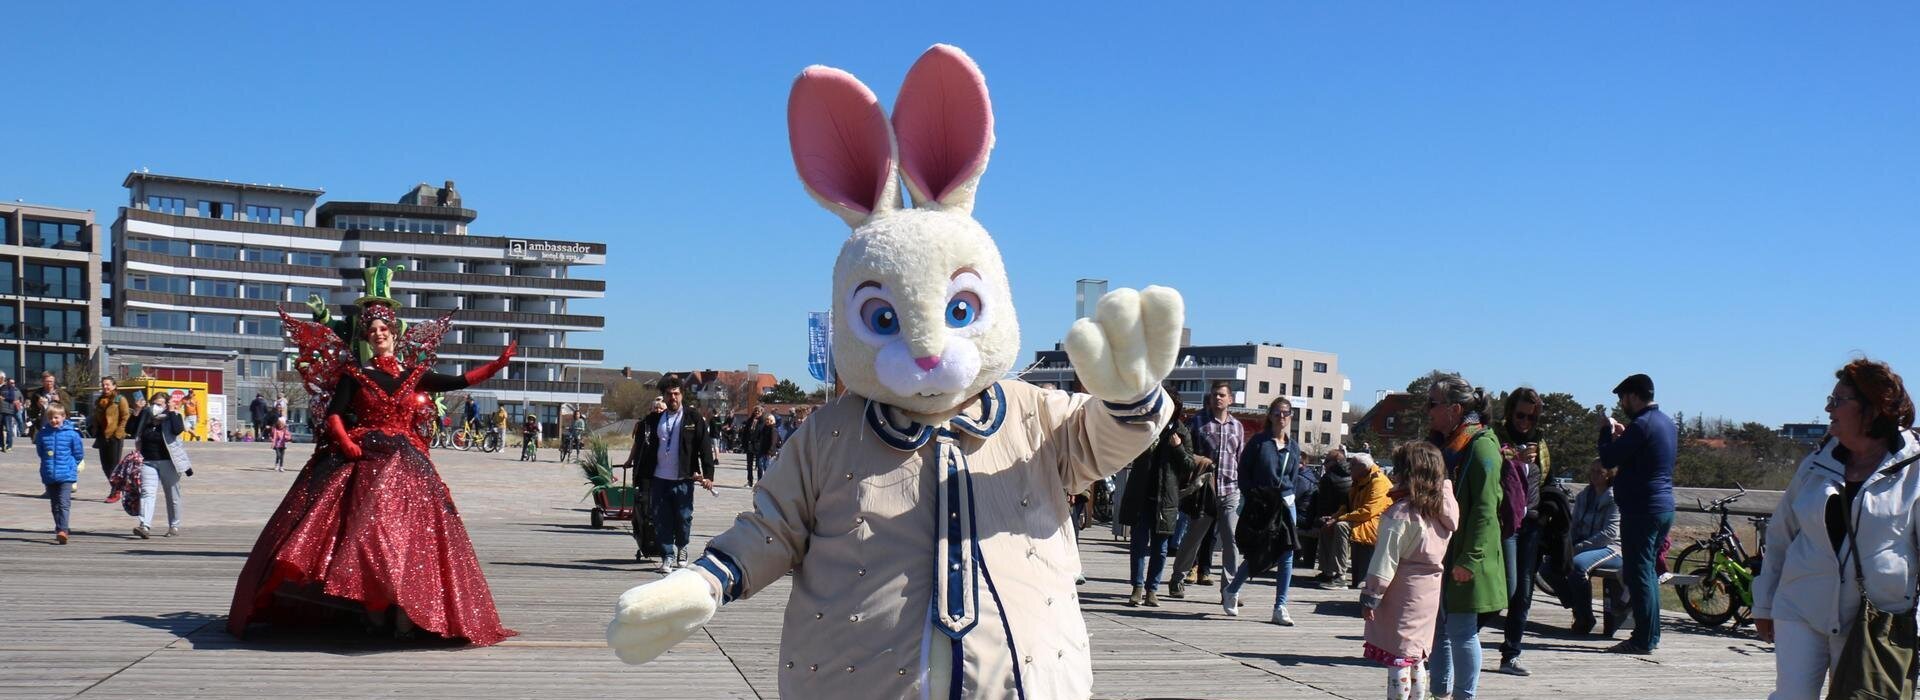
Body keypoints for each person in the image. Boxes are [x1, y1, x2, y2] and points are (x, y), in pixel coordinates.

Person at [228, 262, 519, 646]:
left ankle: (406, 608)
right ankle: (374, 608)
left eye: (384, 329)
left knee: (411, 535)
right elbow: (334, 413)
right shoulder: (355, 375)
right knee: (362, 530)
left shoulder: (413, 374)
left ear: (394, 334)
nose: (379, 335)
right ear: (367, 337)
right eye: (372, 330)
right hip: (363, 455)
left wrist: (497, 365)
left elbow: (458, 381)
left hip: (408, 458)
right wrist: (345, 442)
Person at [1753, 359, 1920, 698]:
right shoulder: (1817, 461)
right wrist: (1764, 603)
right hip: (1800, 605)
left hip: (1875, 617)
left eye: (1838, 400)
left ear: (1872, 408)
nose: (1828, 408)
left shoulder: (1913, 468)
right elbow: (1782, 534)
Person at [1426, 373, 1506, 700]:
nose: (1427, 410)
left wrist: (1470, 559)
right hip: (1447, 553)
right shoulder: (1451, 444)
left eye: (1433, 403)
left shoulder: (1482, 446)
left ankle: (1463, 696)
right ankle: (1439, 693)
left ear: (1455, 409)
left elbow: (1487, 509)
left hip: (1468, 558)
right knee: (1441, 630)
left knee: (1461, 632)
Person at [1361, 441, 1459, 700]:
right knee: (1415, 658)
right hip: (1428, 595)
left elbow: (1385, 560)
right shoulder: (1439, 513)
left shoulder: (1401, 514)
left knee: (1398, 659)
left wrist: (1371, 595)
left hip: (1401, 596)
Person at [1596, 373, 1677, 655]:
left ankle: (1643, 638)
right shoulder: (1665, 422)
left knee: (1638, 572)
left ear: (1632, 395)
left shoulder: (1641, 425)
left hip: (1642, 509)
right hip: (1663, 507)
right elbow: (1643, 455)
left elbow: (1608, 458)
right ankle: (1650, 633)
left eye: (1622, 398)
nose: (1621, 404)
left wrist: (1605, 431)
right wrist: (1624, 435)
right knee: (1648, 572)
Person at [1222, 396, 1302, 625]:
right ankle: (1232, 589)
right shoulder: (1259, 442)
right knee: (1260, 552)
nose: (1282, 417)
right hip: (1261, 502)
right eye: (1277, 412)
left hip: (1286, 504)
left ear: (1291, 416)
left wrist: (1290, 497)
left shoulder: (1293, 446)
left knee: (1287, 552)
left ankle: (1280, 606)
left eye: (1286, 412)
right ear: (1270, 415)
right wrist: (1251, 494)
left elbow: (1293, 478)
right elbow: (1243, 471)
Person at [625, 375, 715, 573]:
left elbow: (705, 447)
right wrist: (636, 470)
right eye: (669, 394)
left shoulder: (693, 417)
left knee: (683, 517)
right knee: (660, 518)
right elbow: (641, 444)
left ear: (682, 395)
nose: (673, 397)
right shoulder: (654, 419)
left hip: (683, 478)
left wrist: (708, 474)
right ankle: (667, 556)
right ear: (663, 397)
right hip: (659, 478)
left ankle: (682, 548)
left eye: (676, 393)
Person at [1118, 388, 1195, 607]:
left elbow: (1189, 465)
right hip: (1142, 495)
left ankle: (1153, 590)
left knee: (1160, 549)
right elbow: (1127, 450)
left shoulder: (1181, 431)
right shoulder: (1146, 426)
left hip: (1166, 499)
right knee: (1138, 545)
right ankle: (1137, 588)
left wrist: (1178, 447)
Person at [1496, 387, 1552, 675]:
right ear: (1510, 411)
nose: (1525, 422)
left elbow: (1547, 481)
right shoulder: (1495, 437)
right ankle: (1457, 638)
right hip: (1503, 523)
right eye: (1520, 415)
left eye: (1532, 417)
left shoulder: (1538, 442)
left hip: (1531, 524)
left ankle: (1511, 653)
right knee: (1507, 587)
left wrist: (1545, 514)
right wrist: (1511, 458)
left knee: (1525, 592)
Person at [1173, 381, 1247, 595]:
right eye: (1215, 394)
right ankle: (1178, 576)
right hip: (1205, 490)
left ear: (1230, 400)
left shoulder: (1237, 427)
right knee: (1193, 537)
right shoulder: (1199, 422)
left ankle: (1230, 589)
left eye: (1222, 395)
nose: (1218, 398)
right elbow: (1188, 455)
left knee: (1231, 539)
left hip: (1230, 490)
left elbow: (1239, 458)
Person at [1558, 461, 1626, 635]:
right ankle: (1577, 606)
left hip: (1611, 548)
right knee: (1548, 565)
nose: (1594, 475)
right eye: (1592, 471)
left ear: (1609, 474)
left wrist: (1579, 547)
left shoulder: (1615, 497)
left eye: (1599, 472)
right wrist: (1567, 545)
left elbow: (1610, 533)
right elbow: (1573, 526)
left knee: (1578, 566)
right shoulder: (1584, 496)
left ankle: (1585, 617)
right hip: (1583, 544)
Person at [1318, 451, 1392, 589]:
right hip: (1360, 519)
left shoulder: (1379, 482)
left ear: (1363, 467)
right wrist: (1333, 517)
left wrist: (1339, 519)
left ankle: (1340, 576)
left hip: (1374, 523)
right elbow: (1347, 506)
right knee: (1327, 525)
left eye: (1352, 466)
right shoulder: (1358, 481)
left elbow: (1369, 511)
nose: (1349, 469)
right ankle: (1328, 571)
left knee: (1341, 526)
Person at [127, 392, 190, 539]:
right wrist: (136, 411)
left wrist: (172, 410)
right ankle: (145, 526)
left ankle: (174, 525)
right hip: (148, 460)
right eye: (155, 403)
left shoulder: (172, 416)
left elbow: (177, 429)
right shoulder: (145, 416)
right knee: (147, 492)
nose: (157, 406)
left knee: (172, 494)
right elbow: (129, 430)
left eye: (161, 404)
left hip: (168, 461)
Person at [37, 405, 86, 545]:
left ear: (63, 417)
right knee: (54, 505)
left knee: (64, 503)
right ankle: (59, 527)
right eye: (51, 418)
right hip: (49, 474)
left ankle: (63, 530)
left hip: (66, 474)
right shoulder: (43, 434)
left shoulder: (72, 434)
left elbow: (78, 454)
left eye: (56, 417)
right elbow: (41, 452)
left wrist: (71, 466)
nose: (53, 420)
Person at [92, 378, 131, 501]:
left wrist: (118, 433)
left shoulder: (120, 399)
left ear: (114, 386)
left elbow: (125, 416)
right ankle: (117, 487)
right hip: (102, 436)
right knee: (105, 466)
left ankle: (115, 492)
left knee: (114, 466)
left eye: (108, 385)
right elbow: (96, 417)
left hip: (115, 436)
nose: (105, 387)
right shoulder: (100, 400)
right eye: (103, 385)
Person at [742, 406, 773, 486]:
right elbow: (745, 433)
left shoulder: (763, 422)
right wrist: (744, 443)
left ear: (762, 412)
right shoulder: (750, 420)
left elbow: (765, 434)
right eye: (755, 411)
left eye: (758, 411)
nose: (757, 412)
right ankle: (750, 480)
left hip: (759, 445)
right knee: (749, 464)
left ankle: (760, 481)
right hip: (749, 445)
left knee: (759, 464)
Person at [27, 371, 62, 439]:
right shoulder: (37, 394)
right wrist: (38, 406)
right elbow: (32, 414)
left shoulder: (61, 393)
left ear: (54, 382)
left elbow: (67, 411)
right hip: (43, 426)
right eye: (47, 381)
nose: (49, 383)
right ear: (42, 382)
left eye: (51, 381)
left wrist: (59, 401)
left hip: (58, 426)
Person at [0, 371, 17, 452]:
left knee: (8, 429)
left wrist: (3, 398)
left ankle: (8, 445)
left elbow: (12, 398)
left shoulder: (9, 387)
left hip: (7, 410)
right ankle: (0, 445)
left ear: (2, 378)